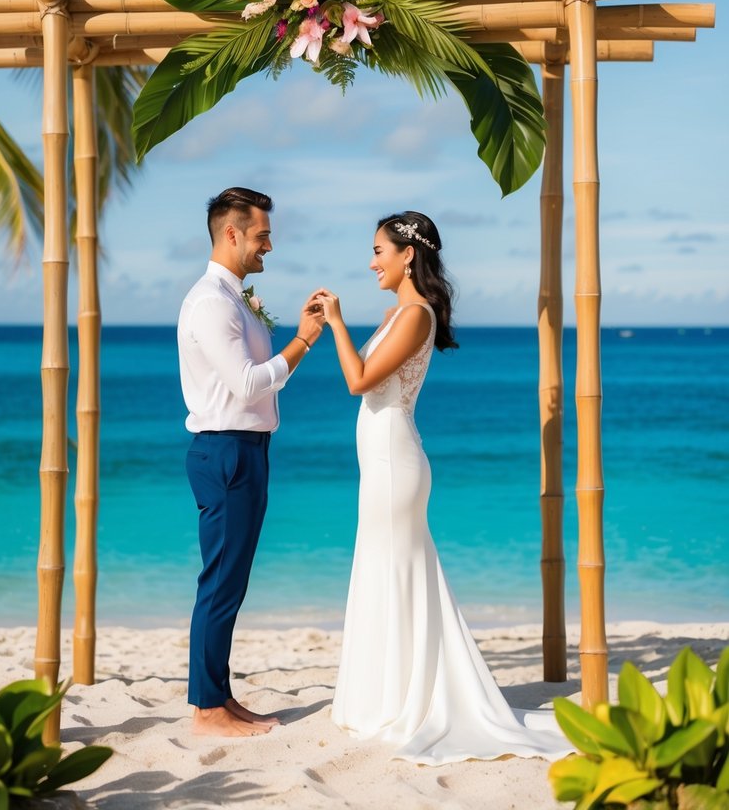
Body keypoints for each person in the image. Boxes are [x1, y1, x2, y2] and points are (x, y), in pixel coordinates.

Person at [314, 211, 569, 764]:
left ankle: (401, 701)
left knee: (396, 570)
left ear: (408, 255)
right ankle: (386, 695)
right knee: (386, 570)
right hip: (382, 458)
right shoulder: (397, 312)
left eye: (379, 249)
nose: (371, 260)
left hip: (393, 459)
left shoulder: (416, 315)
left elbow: (359, 380)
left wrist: (335, 322)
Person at [178, 186, 324, 737]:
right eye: (262, 235)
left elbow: (252, 370)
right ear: (232, 233)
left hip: (244, 451)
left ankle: (218, 696)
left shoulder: (236, 298)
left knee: (229, 583)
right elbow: (244, 385)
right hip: (227, 452)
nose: (270, 245)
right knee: (219, 583)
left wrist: (291, 338)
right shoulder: (213, 302)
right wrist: (305, 342)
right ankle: (207, 710)